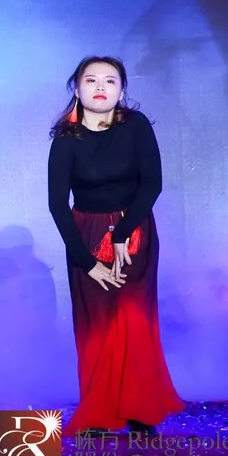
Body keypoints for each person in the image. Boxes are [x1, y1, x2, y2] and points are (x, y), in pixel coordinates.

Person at [47, 56, 185, 436]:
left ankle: (140, 411)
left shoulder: (135, 126)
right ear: (77, 89)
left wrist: (122, 232)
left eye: (110, 80)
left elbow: (152, 184)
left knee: (134, 318)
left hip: (134, 229)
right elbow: (57, 204)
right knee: (97, 325)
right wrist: (85, 260)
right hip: (86, 236)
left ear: (122, 90)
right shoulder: (66, 138)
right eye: (91, 80)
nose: (100, 87)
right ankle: (99, 415)